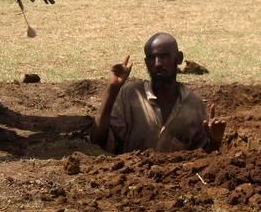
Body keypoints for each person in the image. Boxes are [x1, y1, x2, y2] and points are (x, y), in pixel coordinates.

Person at [90, 33, 226, 153]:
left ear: (179, 58)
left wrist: (215, 140)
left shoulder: (194, 104)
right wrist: (112, 89)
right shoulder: (130, 95)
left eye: (164, 56)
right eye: (151, 58)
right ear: (145, 63)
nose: (157, 64)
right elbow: (98, 141)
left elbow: (203, 159)